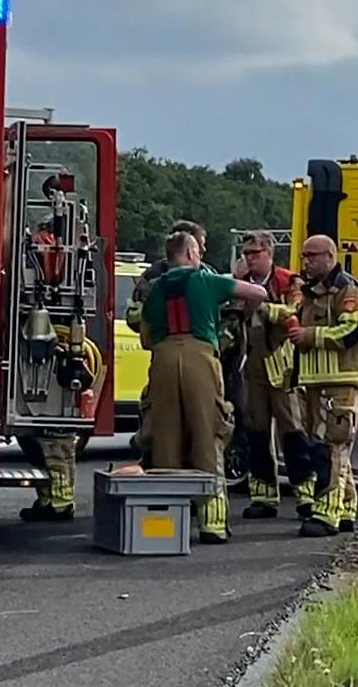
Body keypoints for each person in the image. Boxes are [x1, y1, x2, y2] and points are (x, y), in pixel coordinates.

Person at [139, 230, 268, 543]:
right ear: (191, 253)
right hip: (200, 356)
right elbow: (257, 294)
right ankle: (212, 523)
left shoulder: (153, 291)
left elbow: (145, 339)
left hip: (163, 358)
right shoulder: (207, 281)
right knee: (207, 432)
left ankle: (165, 526)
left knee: (165, 438)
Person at [278, 235, 358, 538]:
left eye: (312, 256)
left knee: (330, 448)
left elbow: (353, 330)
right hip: (314, 383)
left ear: (329, 256)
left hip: (341, 382)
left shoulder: (347, 288)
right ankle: (345, 509)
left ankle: (325, 514)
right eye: (304, 256)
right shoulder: (308, 292)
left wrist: (311, 336)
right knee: (333, 448)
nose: (306, 262)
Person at [236, 232, 311, 520]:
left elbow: (296, 311)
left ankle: (305, 494)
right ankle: (263, 496)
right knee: (256, 432)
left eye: (254, 253)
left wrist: (262, 304)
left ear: (269, 253)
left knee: (292, 431)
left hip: (282, 365)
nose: (249, 259)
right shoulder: (241, 284)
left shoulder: (288, 281)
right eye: (246, 254)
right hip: (252, 364)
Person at [127, 219, 210, 468]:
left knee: (196, 428)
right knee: (163, 427)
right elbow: (134, 315)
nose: (203, 252)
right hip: (170, 356)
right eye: (200, 246)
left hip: (189, 360)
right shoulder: (155, 277)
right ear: (189, 247)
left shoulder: (206, 272)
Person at [20, 328, 106, 522]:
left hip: (52, 396)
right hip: (56, 397)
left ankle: (57, 505)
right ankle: (54, 501)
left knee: (52, 450)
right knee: (55, 451)